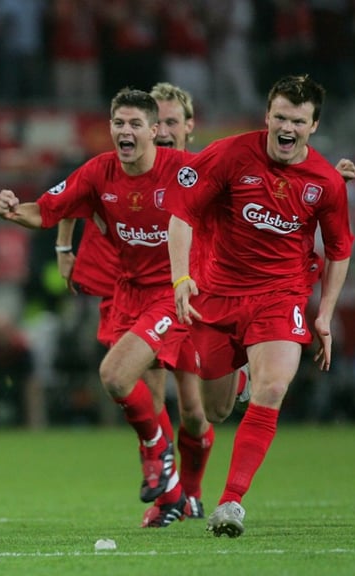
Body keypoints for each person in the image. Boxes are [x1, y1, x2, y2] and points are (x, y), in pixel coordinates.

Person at [0, 88, 194, 528]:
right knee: (152, 399)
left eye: (135, 124)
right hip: (129, 293)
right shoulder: (98, 172)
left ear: (155, 131)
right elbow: (44, 210)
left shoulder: (182, 171)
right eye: (118, 123)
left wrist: (323, 178)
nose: (125, 131)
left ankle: (157, 451)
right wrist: (13, 211)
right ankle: (172, 497)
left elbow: (243, 185)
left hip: (173, 292)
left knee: (117, 376)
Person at [167, 74, 353, 538]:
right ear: (267, 116)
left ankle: (231, 502)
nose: (287, 127)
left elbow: (339, 250)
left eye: (299, 120)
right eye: (281, 117)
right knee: (216, 412)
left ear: (313, 126)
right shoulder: (230, 155)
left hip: (280, 297)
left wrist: (324, 313)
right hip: (216, 295)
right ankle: (241, 372)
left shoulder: (327, 182)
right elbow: (181, 214)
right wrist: (181, 278)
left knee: (273, 388)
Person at [54, 82, 212, 524]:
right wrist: (64, 248)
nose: (160, 131)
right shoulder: (117, 168)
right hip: (133, 288)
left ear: (187, 127)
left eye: (168, 122)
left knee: (199, 412)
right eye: (153, 121)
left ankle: (190, 491)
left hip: (190, 291)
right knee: (144, 393)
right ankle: (172, 498)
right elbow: (73, 197)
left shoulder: (195, 170)